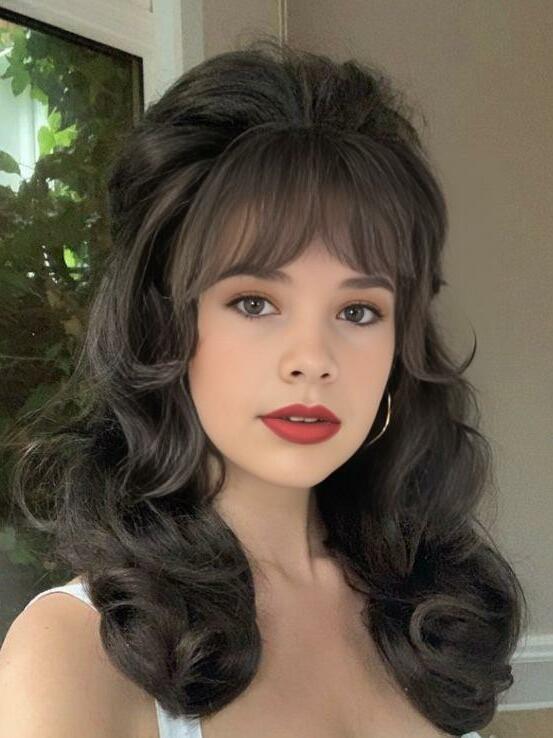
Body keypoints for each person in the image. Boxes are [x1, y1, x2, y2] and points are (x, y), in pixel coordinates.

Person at [0, 34, 526, 738]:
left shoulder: (427, 609)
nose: (312, 359)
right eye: (254, 302)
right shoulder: (75, 656)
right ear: (164, 324)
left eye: (357, 311)